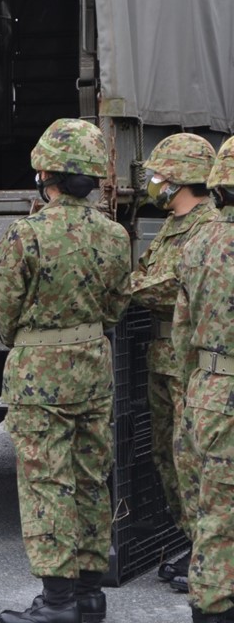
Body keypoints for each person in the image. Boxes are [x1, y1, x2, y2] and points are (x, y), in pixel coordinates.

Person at [0, 119, 132, 623]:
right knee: (91, 476)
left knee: (47, 481)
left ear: (45, 174)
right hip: (93, 364)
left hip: (39, 374)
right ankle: (90, 595)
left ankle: (58, 603)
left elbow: (1, 310)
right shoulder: (115, 235)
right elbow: (115, 309)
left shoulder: (28, 233)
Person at [129, 133, 217, 589]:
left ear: (180, 178)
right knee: (167, 457)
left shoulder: (209, 227)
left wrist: (128, 287)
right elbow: (153, 276)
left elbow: (167, 286)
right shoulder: (171, 225)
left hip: (187, 361)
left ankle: (209, 556)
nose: (153, 182)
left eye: (159, 175)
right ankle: (193, 542)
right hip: (161, 357)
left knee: (195, 461)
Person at [172, 135, 234, 623]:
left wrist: (194, 389)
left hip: (212, 391)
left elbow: (183, 335)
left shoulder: (198, 244)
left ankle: (211, 608)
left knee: (215, 511)